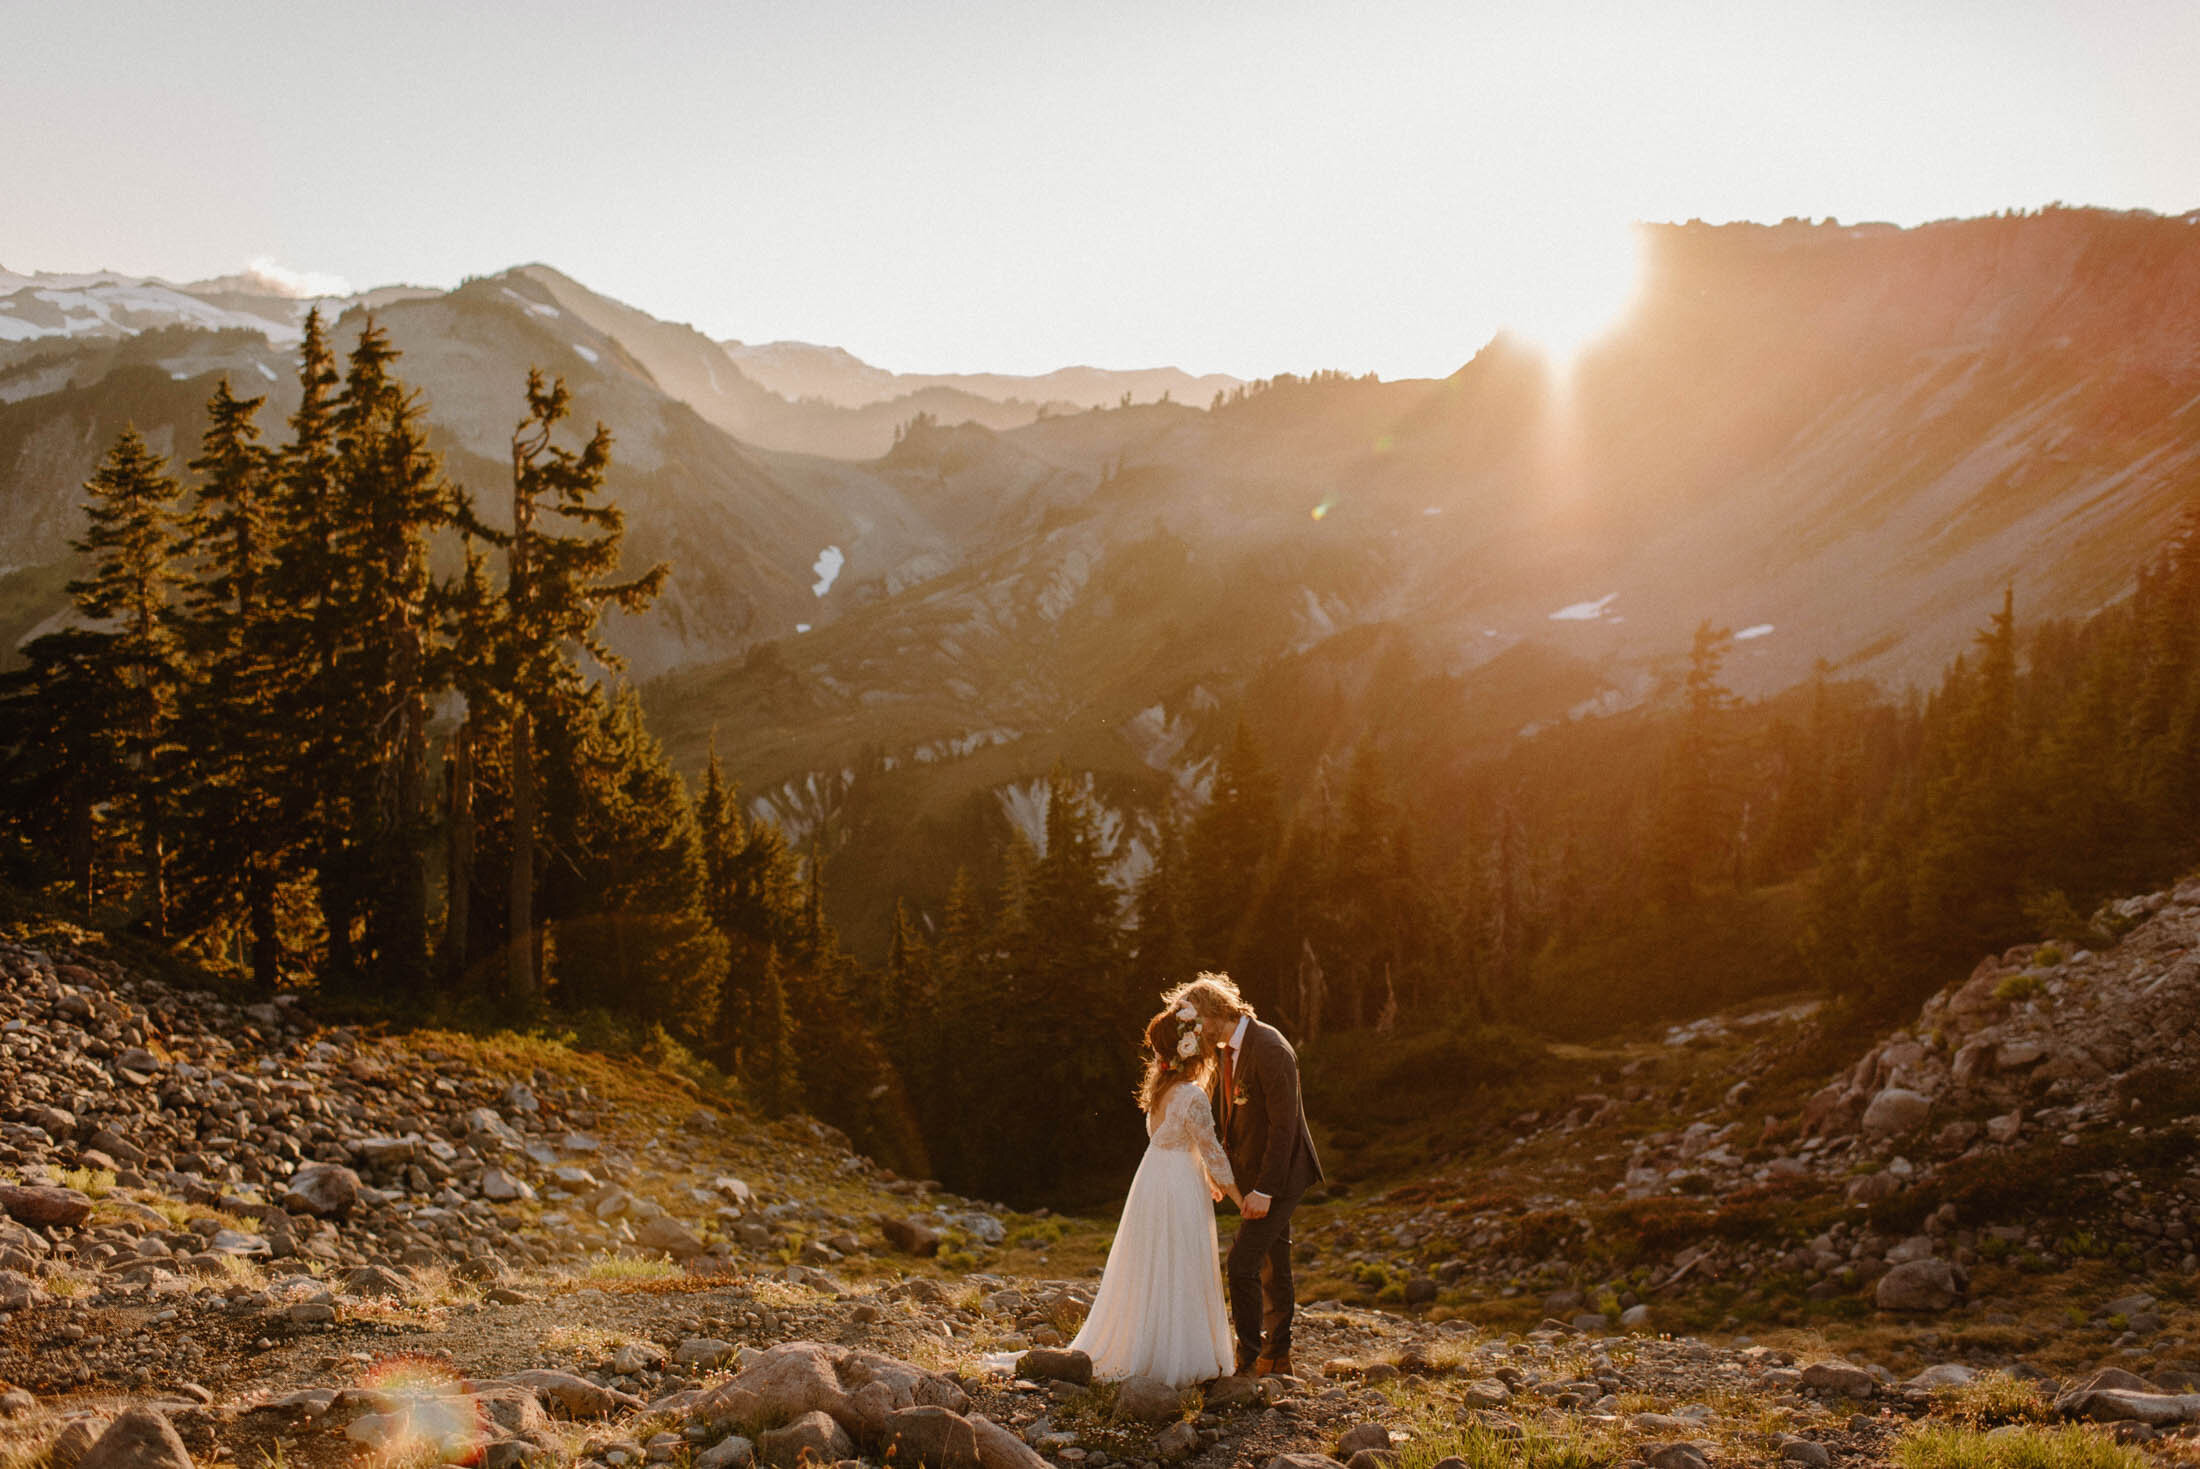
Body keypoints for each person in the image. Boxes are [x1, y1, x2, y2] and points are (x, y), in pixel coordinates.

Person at [1065, 1003, 1242, 1386]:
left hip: (1153, 1178)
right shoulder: (1191, 1095)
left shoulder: (1161, 1092)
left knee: (1154, 1264)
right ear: (1192, 1049)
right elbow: (1212, 1152)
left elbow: (1179, 1141)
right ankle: (1178, 1356)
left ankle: (1150, 1345)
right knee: (1180, 1261)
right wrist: (1242, 1200)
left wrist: (1209, 1178)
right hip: (1177, 1185)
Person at [1164, 972, 1322, 1379]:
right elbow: (1233, 1120)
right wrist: (1225, 1176)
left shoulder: (1270, 1048)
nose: (1194, 1032)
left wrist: (1266, 1190)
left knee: (1241, 1264)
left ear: (1216, 1013)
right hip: (1253, 1173)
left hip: (1281, 1174)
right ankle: (1277, 1356)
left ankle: (1250, 1357)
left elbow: (1285, 1127)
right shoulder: (1226, 1050)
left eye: (1196, 1022)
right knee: (1274, 1263)